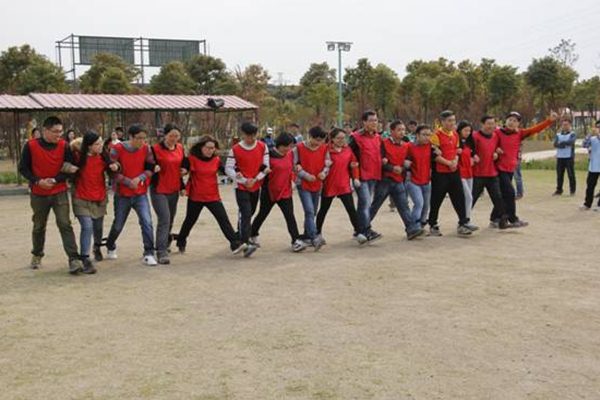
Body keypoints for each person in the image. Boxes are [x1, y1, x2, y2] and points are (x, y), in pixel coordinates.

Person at [18, 116, 83, 274]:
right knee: (39, 226)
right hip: (38, 193)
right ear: (45, 130)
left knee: (65, 224)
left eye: (61, 131)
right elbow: (23, 168)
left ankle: (74, 259)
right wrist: (37, 181)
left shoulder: (64, 146)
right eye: (55, 131)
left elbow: (68, 169)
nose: (59, 135)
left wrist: (55, 180)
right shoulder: (31, 146)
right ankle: (37, 254)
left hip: (59, 191)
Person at [176, 136, 247, 255]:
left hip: (213, 196)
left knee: (223, 219)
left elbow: (225, 170)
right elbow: (180, 174)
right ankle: (181, 240)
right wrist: (182, 188)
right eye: (208, 148)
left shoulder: (216, 160)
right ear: (201, 148)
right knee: (190, 221)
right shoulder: (191, 159)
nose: (210, 150)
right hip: (196, 197)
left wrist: (236, 173)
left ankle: (235, 244)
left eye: (213, 148)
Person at [493, 111, 558, 227]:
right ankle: (513, 218)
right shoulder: (497, 132)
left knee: (504, 194)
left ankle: (495, 218)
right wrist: (496, 149)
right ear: (505, 121)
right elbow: (490, 143)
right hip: (499, 168)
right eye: (510, 120)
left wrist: (549, 121)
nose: (512, 122)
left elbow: (535, 129)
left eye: (515, 121)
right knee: (510, 193)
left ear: (518, 124)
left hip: (510, 168)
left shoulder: (520, 134)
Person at [105, 124, 157, 266]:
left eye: (144, 138)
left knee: (147, 222)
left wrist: (140, 178)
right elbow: (112, 172)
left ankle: (149, 252)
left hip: (140, 193)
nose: (142, 141)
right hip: (123, 194)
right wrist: (128, 181)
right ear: (131, 137)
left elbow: (150, 168)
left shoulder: (147, 149)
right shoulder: (117, 149)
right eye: (139, 138)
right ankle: (110, 245)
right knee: (118, 224)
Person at [250, 133, 307, 252]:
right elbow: (260, 169)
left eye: (291, 146)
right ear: (280, 145)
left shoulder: (290, 154)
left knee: (290, 216)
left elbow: (295, 165)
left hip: (285, 191)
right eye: (287, 146)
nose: (289, 149)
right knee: (262, 214)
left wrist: (298, 167)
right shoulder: (268, 156)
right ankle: (252, 233)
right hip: (269, 191)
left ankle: (295, 240)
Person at [70, 132, 118, 273]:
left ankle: (97, 245)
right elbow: (66, 166)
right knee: (87, 226)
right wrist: (69, 169)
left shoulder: (104, 157)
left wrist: (116, 167)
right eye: (97, 144)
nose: (100, 146)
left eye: (101, 143)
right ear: (89, 146)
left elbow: (114, 171)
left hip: (99, 198)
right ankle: (85, 258)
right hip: (81, 198)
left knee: (98, 227)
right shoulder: (78, 157)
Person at [369, 120, 424, 240]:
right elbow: (380, 161)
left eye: (403, 130)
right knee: (375, 205)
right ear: (392, 131)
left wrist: (404, 167)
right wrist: (391, 168)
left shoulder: (406, 145)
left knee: (403, 205)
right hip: (385, 180)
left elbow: (408, 160)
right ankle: (362, 227)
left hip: (398, 180)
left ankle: (411, 229)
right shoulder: (384, 143)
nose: (402, 132)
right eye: (399, 130)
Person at [315, 128, 367, 244]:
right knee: (323, 210)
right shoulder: (325, 150)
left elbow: (354, 165)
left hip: (344, 185)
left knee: (351, 210)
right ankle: (317, 233)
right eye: (338, 138)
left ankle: (359, 232)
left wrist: (356, 178)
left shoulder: (348, 150)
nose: (341, 140)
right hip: (329, 185)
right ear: (332, 139)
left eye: (343, 138)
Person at [225, 122, 270, 257]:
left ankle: (241, 235)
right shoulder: (235, 149)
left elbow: (266, 166)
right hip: (241, 187)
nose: (251, 139)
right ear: (243, 135)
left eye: (253, 135)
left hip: (256, 185)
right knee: (245, 212)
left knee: (251, 212)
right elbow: (228, 168)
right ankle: (245, 243)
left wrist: (255, 179)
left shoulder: (263, 147)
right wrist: (243, 180)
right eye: (248, 136)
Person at [428, 110, 472, 237]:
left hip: (454, 172)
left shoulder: (455, 135)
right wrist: (448, 163)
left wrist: (455, 162)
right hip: (440, 173)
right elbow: (434, 156)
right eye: (449, 121)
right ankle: (433, 224)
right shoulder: (436, 135)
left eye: (453, 120)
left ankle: (463, 223)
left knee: (459, 197)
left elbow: (457, 151)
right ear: (442, 122)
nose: (452, 123)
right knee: (436, 200)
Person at [150, 124, 186, 265]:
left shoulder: (180, 148)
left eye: (176, 136)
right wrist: (153, 168)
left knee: (170, 219)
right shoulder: (155, 149)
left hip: (174, 188)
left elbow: (181, 168)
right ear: (164, 135)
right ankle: (161, 251)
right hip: (159, 189)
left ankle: (164, 243)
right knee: (164, 219)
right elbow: (147, 165)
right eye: (171, 135)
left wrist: (183, 183)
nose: (174, 139)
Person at [293, 126, 330, 250]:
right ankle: (314, 237)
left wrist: (324, 173)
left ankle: (307, 236)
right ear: (310, 136)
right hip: (303, 184)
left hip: (317, 183)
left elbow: (327, 164)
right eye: (317, 140)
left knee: (312, 212)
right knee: (309, 210)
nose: (319, 143)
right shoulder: (298, 148)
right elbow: (295, 166)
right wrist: (306, 175)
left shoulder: (324, 148)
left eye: (322, 140)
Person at [349, 111, 384, 242]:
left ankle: (359, 230)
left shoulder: (378, 138)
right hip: (360, 176)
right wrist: (354, 176)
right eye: (371, 120)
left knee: (363, 204)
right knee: (365, 203)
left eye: (376, 120)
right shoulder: (355, 137)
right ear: (364, 122)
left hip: (374, 175)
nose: (374, 123)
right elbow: (349, 156)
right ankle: (367, 230)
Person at [471, 115, 509, 229]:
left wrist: (497, 153)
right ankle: (464, 221)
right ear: (482, 124)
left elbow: (496, 148)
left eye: (493, 124)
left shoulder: (495, 136)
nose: (491, 126)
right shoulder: (474, 136)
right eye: (488, 123)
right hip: (478, 174)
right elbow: (469, 151)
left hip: (492, 173)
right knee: (472, 198)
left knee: (498, 197)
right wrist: (473, 156)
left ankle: (502, 220)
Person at [405, 125, 433, 229]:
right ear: (417, 135)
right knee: (419, 203)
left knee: (426, 205)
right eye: (424, 135)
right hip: (412, 180)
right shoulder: (409, 146)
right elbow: (402, 158)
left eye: (429, 135)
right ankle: (413, 226)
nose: (427, 137)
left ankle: (421, 224)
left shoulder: (431, 146)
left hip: (426, 180)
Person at [457, 120, 479, 231]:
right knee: (468, 197)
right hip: (460, 173)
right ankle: (464, 220)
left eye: (469, 131)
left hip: (469, 172)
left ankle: (466, 220)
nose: (467, 132)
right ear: (460, 130)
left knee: (469, 197)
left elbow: (473, 153)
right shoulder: (456, 141)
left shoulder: (469, 142)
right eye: (465, 130)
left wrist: (474, 157)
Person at [553, 116, 577, 196]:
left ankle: (572, 190)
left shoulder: (572, 134)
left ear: (570, 125)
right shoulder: (558, 134)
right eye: (563, 125)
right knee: (559, 175)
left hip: (569, 157)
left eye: (566, 125)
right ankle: (559, 190)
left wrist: (562, 143)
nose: (565, 126)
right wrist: (563, 144)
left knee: (571, 174)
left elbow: (571, 142)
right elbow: (555, 144)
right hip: (560, 157)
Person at [581, 121, 600, 210]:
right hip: (594, 167)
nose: (598, 129)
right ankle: (587, 204)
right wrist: (590, 134)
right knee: (590, 186)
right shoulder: (592, 139)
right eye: (597, 127)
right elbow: (584, 145)